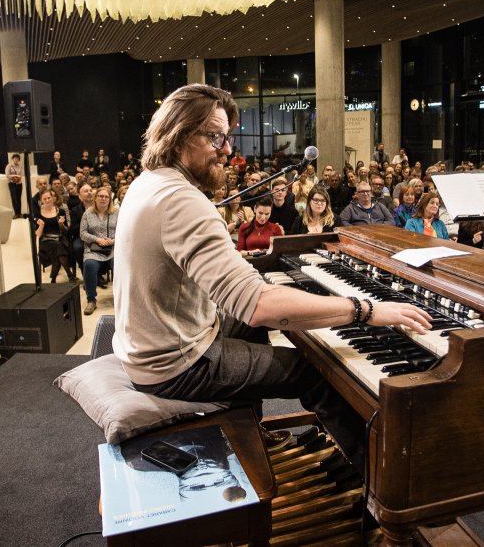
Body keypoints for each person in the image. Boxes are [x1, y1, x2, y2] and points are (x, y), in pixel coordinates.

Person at [112, 84, 432, 469]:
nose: (228, 150)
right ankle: (376, 484)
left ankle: (250, 436)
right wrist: (363, 309)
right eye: (215, 136)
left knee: (255, 333)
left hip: (152, 347)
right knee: (318, 371)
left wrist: (281, 282)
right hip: (176, 366)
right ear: (180, 135)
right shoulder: (181, 200)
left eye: (227, 137)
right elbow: (259, 306)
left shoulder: (149, 181)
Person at [80, 186, 117, 315]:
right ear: (95, 198)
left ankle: (119, 298)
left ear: (110, 199)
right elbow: (83, 233)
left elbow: (123, 231)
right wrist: (97, 239)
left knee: (120, 266)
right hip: (93, 250)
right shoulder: (88, 213)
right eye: (100, 196)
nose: (103, 199)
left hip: (112, 249)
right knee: (89, 265)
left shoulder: (116, 212)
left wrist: (113, 240)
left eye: (106, 197)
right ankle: (91, 301)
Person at [35, 189, 75, 283]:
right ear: (41, 201)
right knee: (59, 248)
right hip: (46, 241)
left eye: (49, 198)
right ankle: (69, 275)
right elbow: (38, 234)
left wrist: (61, 224)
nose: (47, 200)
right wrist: (41, 225)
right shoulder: (38, 214)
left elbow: (65, 231)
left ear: (53, 198)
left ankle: (53, 280)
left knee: (59, 248)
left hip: (60, 238)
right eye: (45, 199)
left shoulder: (60, 211)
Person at [4, 153, 24, 218]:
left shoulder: (20, 166)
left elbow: (21, 174)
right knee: (14, 198)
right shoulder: (9, 166)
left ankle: (19, 213)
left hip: (19, 183)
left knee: (19, 198)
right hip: (12, 183)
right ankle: (16, 213)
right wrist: (14, 176)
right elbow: (7, 175)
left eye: (17, 159)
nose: (16, 160)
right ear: (12, 159)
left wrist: (18, 178)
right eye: (15, 158)